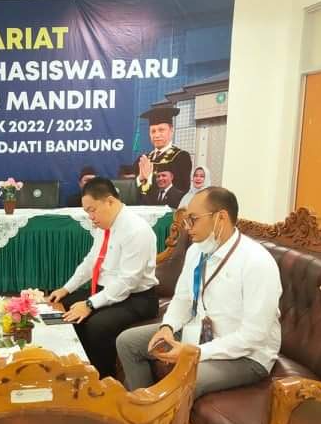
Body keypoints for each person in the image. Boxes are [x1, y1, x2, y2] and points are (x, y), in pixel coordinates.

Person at [116, 187, 281, 400]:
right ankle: (143, 408)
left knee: (187, 377)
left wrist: (194, 352)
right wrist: (167, 327)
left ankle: (156, 417)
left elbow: (253, 336)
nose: (187, 227)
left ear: (221, 217)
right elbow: (183, 298)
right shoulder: (197, 250)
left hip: (246, 355)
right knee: (127, 342)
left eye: (193, 219)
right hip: (200, 335)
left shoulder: (257, 262)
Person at [48, 178, 159, 378]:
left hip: (137, 299)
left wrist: (89, 304)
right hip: (107, 291)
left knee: (97, 325)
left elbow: (127, 282)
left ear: (110, 201)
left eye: (92, 210)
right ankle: (73, 369)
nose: (91, 217)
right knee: (60, 306)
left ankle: (103, 380)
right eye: (87, 212)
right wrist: (66, 289)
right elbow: (91, 261)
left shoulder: (137, 230)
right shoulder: (105, 227)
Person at [132, 106, 192, 200]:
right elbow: (131, 190)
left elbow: (182, 189)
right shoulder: (143, 159)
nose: (156, 135)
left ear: (171, 130)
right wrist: (140, 178)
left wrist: (149, 178)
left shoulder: (181, 157)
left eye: (161, 130)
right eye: (153, 131)